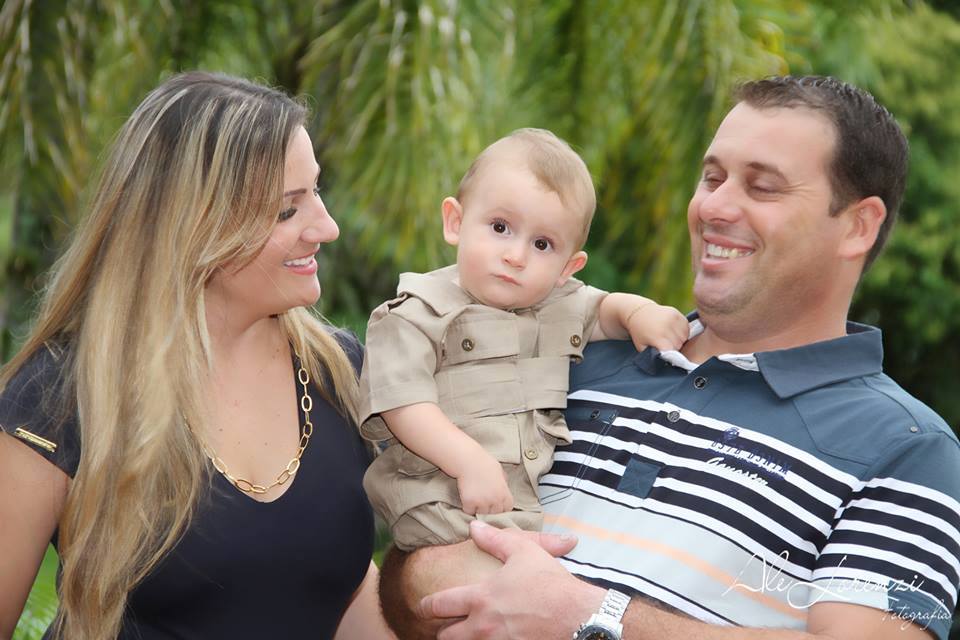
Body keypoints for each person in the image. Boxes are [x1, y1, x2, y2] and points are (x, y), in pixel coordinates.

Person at [379, 76, 960, 640]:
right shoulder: (569, 356)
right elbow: (408, 559)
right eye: (712, 178)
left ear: (858, 225)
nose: (714, 206)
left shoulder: (907, 449)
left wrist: (589, 617)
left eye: (763, 187)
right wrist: (440, 581)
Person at [0, 72, 394, 639]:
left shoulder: (338, 374)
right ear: (194, 226)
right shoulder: (61, 393)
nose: (326, 227)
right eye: (287, 210)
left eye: (316, 191)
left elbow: (336, 595)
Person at [359, 128, 689, 551]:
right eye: (500, 227)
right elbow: (403, 404)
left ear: (568, 267)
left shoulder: (557, 304)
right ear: (455, 222)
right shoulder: (415, 315)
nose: (516, 256)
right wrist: (468, 461)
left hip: (521, 513)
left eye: (542, 244)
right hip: (440, 502)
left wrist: (638, 312)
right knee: (506, 576)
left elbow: (603, 311)